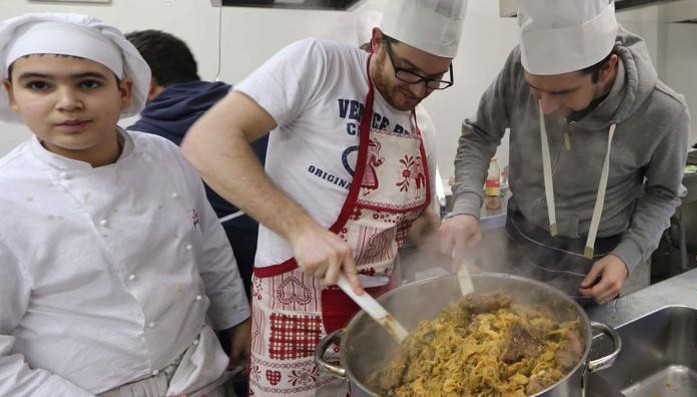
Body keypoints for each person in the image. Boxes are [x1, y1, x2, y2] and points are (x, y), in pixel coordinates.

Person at [181, 0, 467, 395]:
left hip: (379, 314)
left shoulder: (424, 126)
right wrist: (300, 229)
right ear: (378, 41)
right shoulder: (320, 65)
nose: (418, 90)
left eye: (434, 79)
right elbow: (206, 142)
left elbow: (418, 223)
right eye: (408, 71)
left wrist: (443, 237)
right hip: (291, 309)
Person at [0, 13, 250, 397]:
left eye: (88, 83)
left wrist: (236, 318)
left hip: (198, 372)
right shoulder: (8, 195)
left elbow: (208, 247)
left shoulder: (165, 154)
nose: (67, 103)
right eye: (39, 85)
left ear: (123, 91)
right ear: (12, 95)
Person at [440, 0, 690, 307]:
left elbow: (663, 194)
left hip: (598, 263)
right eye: (535, 90)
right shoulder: (519, 67)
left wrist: (627, 256)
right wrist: (465, 206)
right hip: (521, 244)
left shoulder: (663, 111)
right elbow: (479, 134)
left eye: (561, 93)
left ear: (606, 68)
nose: (544, 107)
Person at [125, 29, 266, 297]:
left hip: (217, 285)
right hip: (293, 263)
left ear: (147, 81)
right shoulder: (256, 109)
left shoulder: (139, 143)